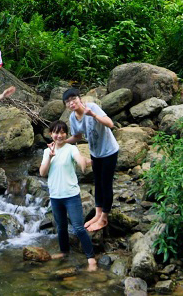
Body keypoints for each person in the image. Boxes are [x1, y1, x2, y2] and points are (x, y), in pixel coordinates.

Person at [40, 120, 97, 271]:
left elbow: (79, 159)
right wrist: (50, 157)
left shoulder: (71, 148)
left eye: (62, 132)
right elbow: (42, 173)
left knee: (78, 227)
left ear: (66, 134)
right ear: (51, 134)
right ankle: (64, 252)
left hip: (71, 195)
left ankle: (91, 258)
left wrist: (84, 164)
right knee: (61, 227)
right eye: (56, 132)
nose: (59, 135)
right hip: (55, 196)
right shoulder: (47, 151)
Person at [63, 88, 118, 232]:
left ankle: (104, 218)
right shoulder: (72, 118)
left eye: (73, 99)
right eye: (68, 101)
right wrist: (61, 143)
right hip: (96, 153)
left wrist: (93, 115)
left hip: (109, 151)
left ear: (80, 99)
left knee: (106, 184)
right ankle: (98, 213)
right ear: (66, 106)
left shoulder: (92, 108)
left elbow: (110, 124)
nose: (71, 103)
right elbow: (78, 137)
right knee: (97, 183)